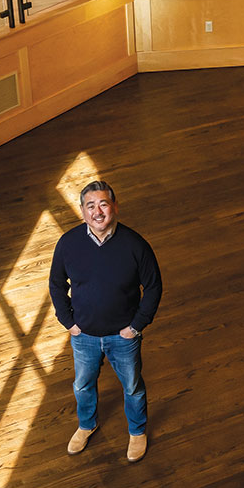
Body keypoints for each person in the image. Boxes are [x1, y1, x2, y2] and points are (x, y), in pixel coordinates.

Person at [48, 179, 162, 462]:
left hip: (123, 337)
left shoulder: (135, 245)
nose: (97, 212)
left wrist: (136, 326)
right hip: (83, 335)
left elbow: (154, 286)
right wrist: (69, 323)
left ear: (115, 207)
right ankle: (87, 425)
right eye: (90, 206)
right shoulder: (68, 244)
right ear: (82, 211)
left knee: (133, 387)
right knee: (82, 385)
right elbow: (56, 284)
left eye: (103, 204)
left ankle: (137, 432)